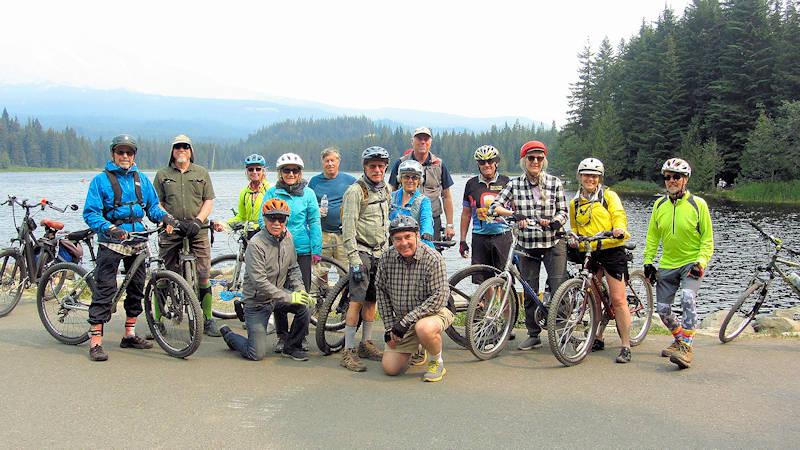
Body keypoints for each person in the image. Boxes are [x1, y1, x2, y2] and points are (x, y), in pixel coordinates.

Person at [82, 134, 178, 361]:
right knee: (105, 289)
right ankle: (95, 341)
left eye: (129, 153)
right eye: (120, 152)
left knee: (136, 289)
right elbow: (90, 213)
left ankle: (129, 335)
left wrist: (165, 218)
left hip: (137, 240)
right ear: (113, 154)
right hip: (112, 241)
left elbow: (152, 206)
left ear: (134, 155)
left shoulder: (141, 179)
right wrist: (108, 227)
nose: (125, 156)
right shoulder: (100, 181)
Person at [489, 140, 568, 350]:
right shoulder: (514, 185)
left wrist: (553, 222)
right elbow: (494, 207)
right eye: (531, 158)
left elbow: (563, 212)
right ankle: (534, 334)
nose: (535, 162)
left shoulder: (554, 183)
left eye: (539, 158)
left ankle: (561, 332)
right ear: (524, 161)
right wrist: (515, 215)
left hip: (553, 242)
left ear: (544, 161)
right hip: (527, 244)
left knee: (559, 288)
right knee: (529, 289)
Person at [219, 199, 312, 362]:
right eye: (272, 218)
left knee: (306, 305)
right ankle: (230, 336)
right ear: (265, 219)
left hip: (277, 297)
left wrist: (300, 291)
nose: (276, 223)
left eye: (281, 219)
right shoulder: (256, 244)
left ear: (286, 220)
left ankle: (291, 347)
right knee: (256, 354)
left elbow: (293, 268)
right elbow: (259, 283)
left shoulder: (287, 239)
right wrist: (289, 297)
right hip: (257, 302)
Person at [643, 158, 714, 369]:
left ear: (686, 179)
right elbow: (652, 238)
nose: (672, 181)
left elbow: (707, 240)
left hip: (691, 263)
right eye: (668, 177)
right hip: (668, 263)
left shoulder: (698, 204)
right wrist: (648, 262)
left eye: (677, 177)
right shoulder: (659, 205)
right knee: (663, 309)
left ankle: (686, 350)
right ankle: (679, 340)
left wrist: (701, 262)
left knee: (687, 298)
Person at [153, 134, 220, 337]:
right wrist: (167, 220)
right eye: (177, 147)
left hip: (197, 230)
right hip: (172, 230)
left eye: (185, 147)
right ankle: (158, 320)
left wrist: (199, 221)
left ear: (191, 150)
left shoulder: (201, 172)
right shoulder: (162, 174)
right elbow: (157, 202)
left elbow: (208, 200)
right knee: (164, 276)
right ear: (172, 151)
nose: (181, 150)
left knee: (203, 274)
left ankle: (207, 318)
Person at [567, 158, 632, 363]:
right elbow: (575, 229)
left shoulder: (609, 196)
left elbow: (619, 215)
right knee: (594, 299)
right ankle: (597, 336)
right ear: (580, 177)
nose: (590, 179)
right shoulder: (575, 202)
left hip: (611, 250)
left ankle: (626, 345)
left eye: (594, 176)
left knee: (619, 299)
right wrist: (573, 239)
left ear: (600, 178)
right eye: (586, 175)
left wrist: (619, 229)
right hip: (590, 251)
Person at [258, 152, 321, 352]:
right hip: (277, 248)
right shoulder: (272, 192)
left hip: (301, 249)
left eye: (295, 170)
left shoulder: (308, 194)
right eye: (287, 170)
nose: (291, 173)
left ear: (300, 173)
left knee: (302, 293)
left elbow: (314, 221)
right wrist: (268, 239)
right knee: (279, 294)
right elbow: (263, 219)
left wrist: (316, 248)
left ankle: (300, 336)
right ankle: (282, 336)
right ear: (280, 173)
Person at [377, 215, 453, 382]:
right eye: (398, 239)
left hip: (434, 313)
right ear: (392, 240)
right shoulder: (386, 258)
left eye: (408, 237)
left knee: (424, 328)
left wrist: (405, 322)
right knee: (390, 368)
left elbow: (439, 297)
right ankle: (418, 347)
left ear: (417, 236)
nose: (403, 243)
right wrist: (390, 327)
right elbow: (381, 293)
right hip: (403, 319)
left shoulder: (433, 258)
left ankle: (436, 362)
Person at [339, 146, 392, 372]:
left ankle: (366, 343)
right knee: (356, 301)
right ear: (364, 167)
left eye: (381, 166)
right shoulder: (355, 191)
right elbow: (348, 228)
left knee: (372, 300)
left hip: (381, 252)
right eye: (373, 166)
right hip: (361, 251)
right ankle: (348, 350)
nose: (377, 170)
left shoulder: (386, 189)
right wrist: (354, 260)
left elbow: (387, 222)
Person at [388, 127, 455, 241]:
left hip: (433, 217)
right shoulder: (401, 163)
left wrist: (449, 225)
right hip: (404, 219)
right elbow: (390, 192)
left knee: (432, 251)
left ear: (430, 142)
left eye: (426, 139)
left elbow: (447, 196)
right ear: (412, 141)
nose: (423, 142)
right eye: (419, 138)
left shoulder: (439, 164)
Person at [459, 145, 512, 283]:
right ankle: (489, 303)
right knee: (482, 279)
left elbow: (515, 210)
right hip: (480, 237)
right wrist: (463, 240)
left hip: (503, 235)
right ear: (478, 164)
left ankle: (501, 304)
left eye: (490, 161)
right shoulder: (471, 184)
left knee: (504, 277)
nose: (486, 165)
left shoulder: (507, 182)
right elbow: (466, 214)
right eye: (482, 162)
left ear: (496, 162)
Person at [308, 146, 357, 275]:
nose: (330, 164)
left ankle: (343, 295)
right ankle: (321, 295)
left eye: (333, 160)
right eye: (327, 161)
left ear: (338, 162)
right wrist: (315, 210)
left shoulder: (350, 181)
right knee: (320, 271)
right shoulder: (314, 182)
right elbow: (308, 204)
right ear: (322, 163)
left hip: (344, 234)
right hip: (322, 233)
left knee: (345, 271)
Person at [217, 153, 271, 238]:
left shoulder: (270, 189)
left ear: (263, 170)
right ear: (247, 171)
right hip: (249, 234)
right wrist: (225, 224)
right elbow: (242, 217)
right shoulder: (244, 193)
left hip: (266, 234)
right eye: (251, 169)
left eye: (258, 169)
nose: (254, 172)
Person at [389, 159, 434, 249]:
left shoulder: (423, 201)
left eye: (414, 177)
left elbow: (427, 219)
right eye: (406, 177)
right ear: (400, 179)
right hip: (395, 243)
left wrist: (426, 232)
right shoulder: (391, 197)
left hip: (418, 244)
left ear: (419, 181)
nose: (410, 180)